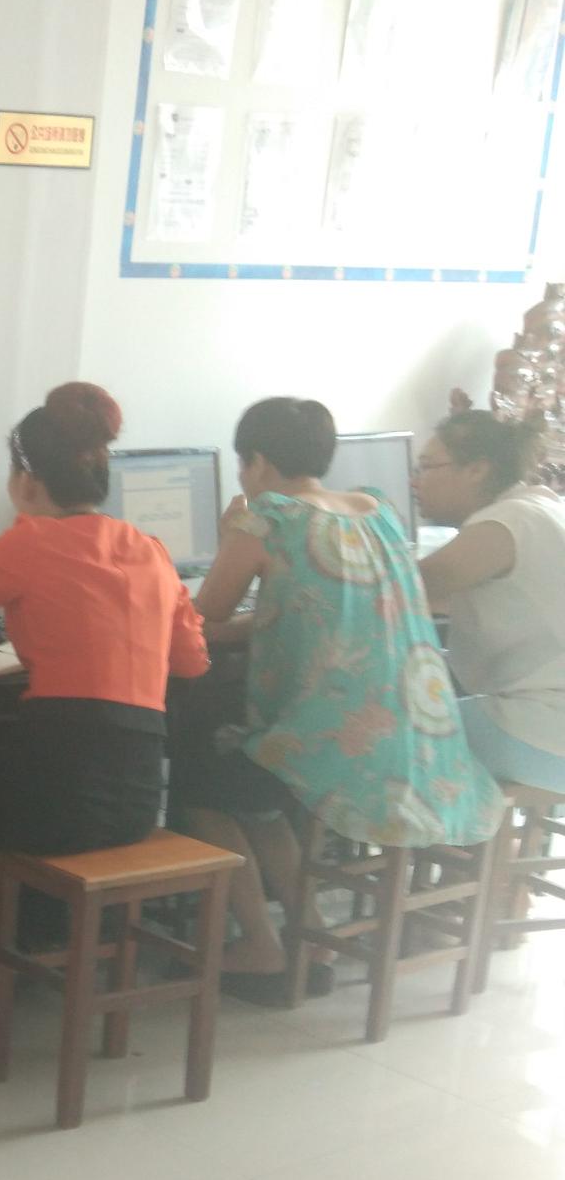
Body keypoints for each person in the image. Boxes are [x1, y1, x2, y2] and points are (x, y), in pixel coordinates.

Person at [0, 383, 210, 988]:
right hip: (134, 799)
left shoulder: (31, 542)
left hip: (58, 794)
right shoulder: (150, 551)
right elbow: (192, 662)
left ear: (25, 480)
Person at [182, 397, 504, 1003]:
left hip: (337, 749)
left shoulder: (267, 519)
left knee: (201, 787)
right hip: (416, 742)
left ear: (257, 462)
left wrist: (229, 539)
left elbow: (203, 619)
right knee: (253, 787)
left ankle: (260, 944)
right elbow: (327, 612)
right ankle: (314, 936)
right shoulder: (376, 511)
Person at [414, 409, 565, 791]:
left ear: (477, 470)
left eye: (427, 467)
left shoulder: (504, 523)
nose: (415, 481)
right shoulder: (540, 506)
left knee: (382, 730)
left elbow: (403, 589)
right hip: (551, 721)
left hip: (548, 730)